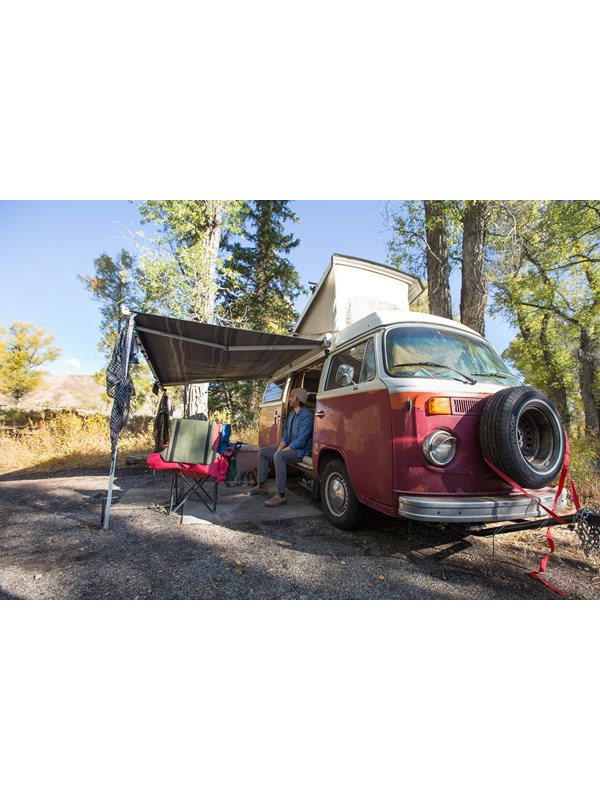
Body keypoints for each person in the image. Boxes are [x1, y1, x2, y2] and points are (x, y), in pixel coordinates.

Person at [249, 387, 314, 507]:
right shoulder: (292, 415)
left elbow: (301, 441)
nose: (290, 399)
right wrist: (280, 448)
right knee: (263, 452)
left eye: (292, 396)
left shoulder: (307, 416)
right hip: (289, 448)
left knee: (279, 456)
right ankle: (261, 486)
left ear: (298, 399)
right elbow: (286, 436)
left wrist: (281, 451)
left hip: (300, 451)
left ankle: (281, 495)